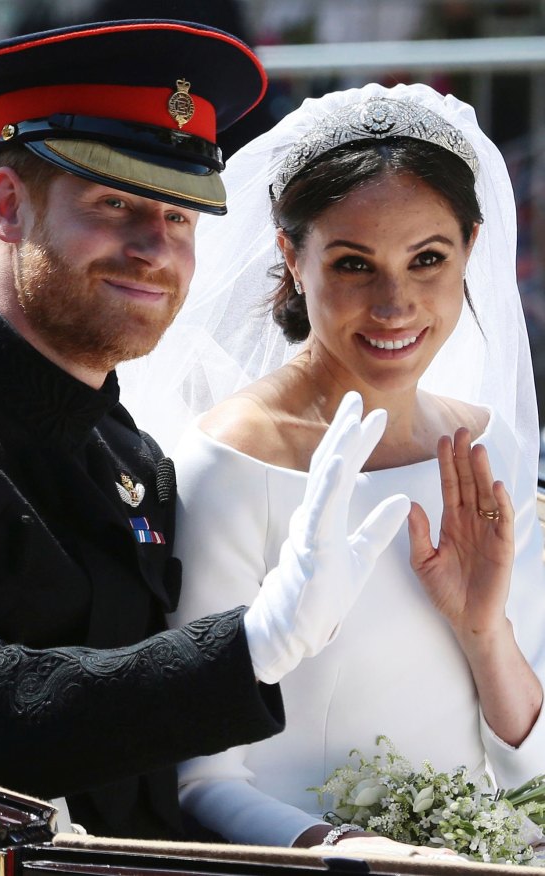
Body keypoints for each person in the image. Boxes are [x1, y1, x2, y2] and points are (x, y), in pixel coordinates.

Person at [0, 23, 410, 843]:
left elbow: (154, 774)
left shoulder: (130, 456)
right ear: (5, 206)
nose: (154, 250)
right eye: (115, 203)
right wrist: (250, 646)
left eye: (180, 216)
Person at [118, 82, 545, 853]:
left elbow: (530, 759)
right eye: (354, 264)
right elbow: (201, 779)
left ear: (470, 252)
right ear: (292, 255)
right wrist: (351, 854)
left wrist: (487, 635)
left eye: (427, 259)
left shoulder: (490, 448)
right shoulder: (230, 460)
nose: (395, 304)